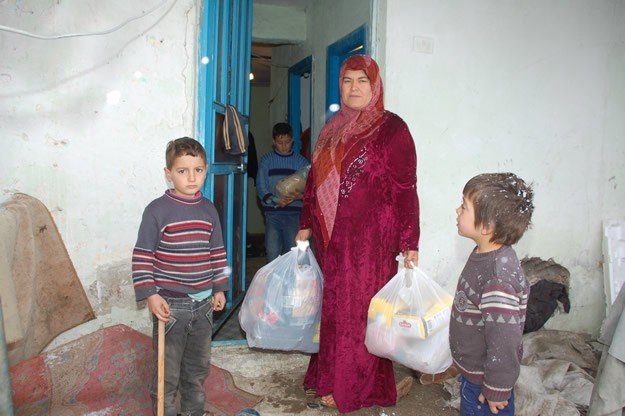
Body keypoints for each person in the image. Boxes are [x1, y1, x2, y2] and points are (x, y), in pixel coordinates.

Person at [294, 55, 420, 413]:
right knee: (333, 309)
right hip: (330, 238)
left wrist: (410, 242)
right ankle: (329, 376)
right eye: (347, 81)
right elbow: (313, 182)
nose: (354, 88)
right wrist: (305, 223)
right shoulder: (332, 128)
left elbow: (406, 188)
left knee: (361, 313)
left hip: (371, 241)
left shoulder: (392, 129)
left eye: (362, 81)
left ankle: (351, 386)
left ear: (375, 85)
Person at [132, 137, 229, 416]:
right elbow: (142, 256)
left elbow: (218, 252)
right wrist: (151, 295)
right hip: (171, 307)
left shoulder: (208, 209)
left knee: (196, 371)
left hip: (204, 307)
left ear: (206, 170)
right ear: (168, 173)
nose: (192, 178)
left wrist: (219, 288)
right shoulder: (157, 210)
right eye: (182, 171)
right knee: (167, 374)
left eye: (198, 170)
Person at [450, 172, 534, 416]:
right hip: (475, 376)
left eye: (464, 207)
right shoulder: (484, 253)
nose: (457, 210)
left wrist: (497, 389)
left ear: (486, 226)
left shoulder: (497, 277)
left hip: (485, 387)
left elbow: (504, 340)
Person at [256, 122, 309, 262]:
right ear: (273, 142)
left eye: (287, 142)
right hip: (273, 214)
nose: (284, 146)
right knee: (272, 251)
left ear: (293, 140)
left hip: (294, 214)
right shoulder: (266, 161)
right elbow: (261, 187)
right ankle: (273, 277)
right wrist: (275, 200)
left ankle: (288, 277)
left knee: (290, 253)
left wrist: (299, 196)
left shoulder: (301, 163)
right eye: (280, 143)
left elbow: (310, 189)